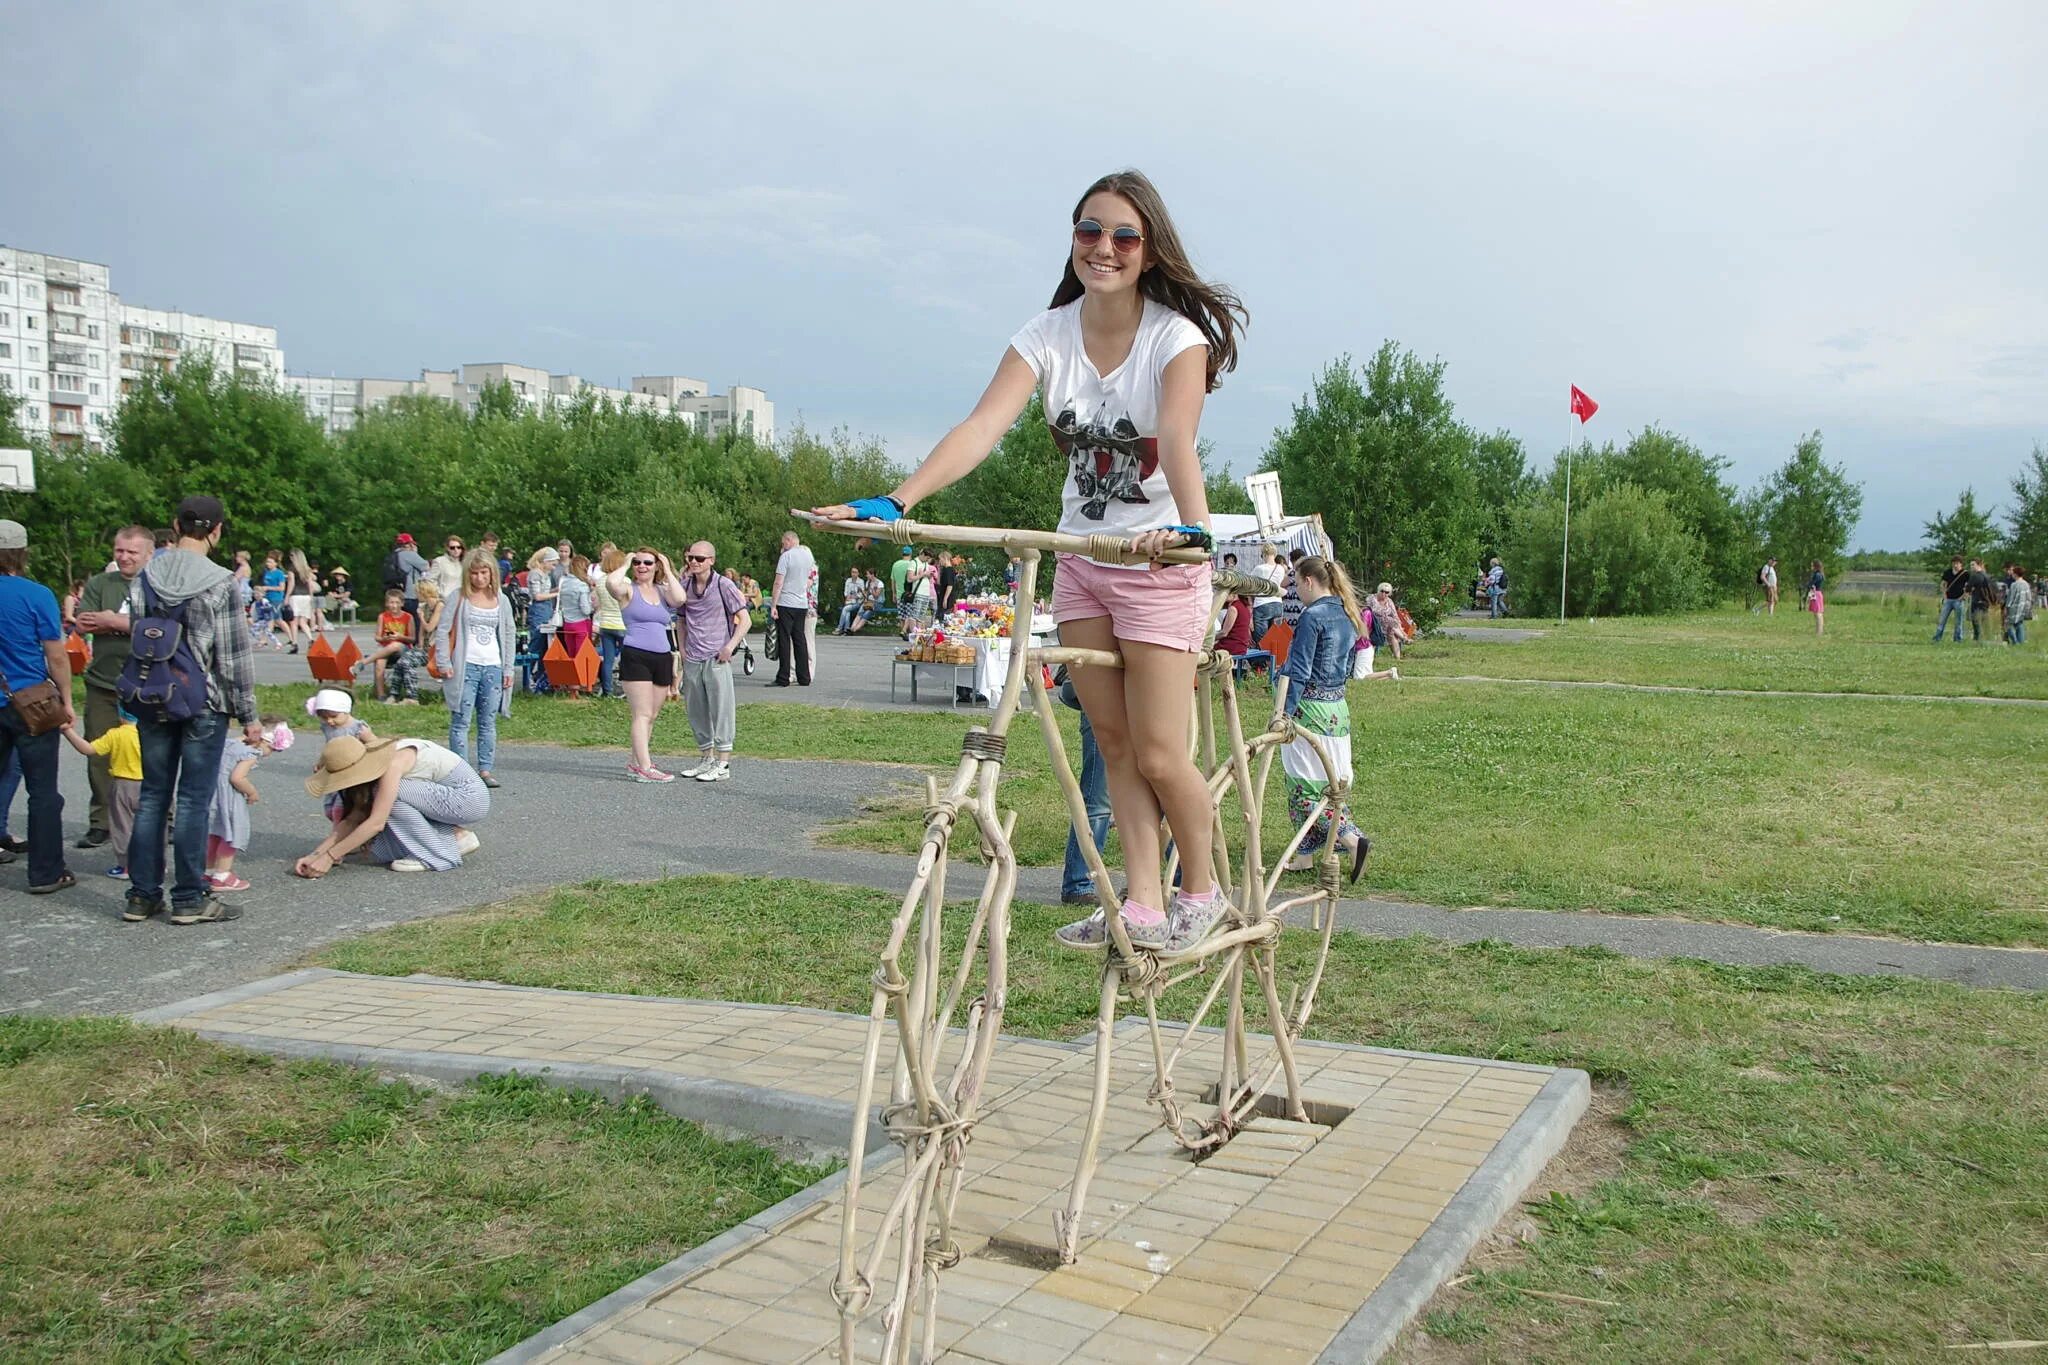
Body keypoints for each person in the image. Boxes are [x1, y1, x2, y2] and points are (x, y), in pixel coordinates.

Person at [816, 167, 1246, 956]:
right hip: (1080, 559)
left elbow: (1178, 437)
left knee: (1158, 749)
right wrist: (898, 500)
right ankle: (1143, 903)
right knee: (1112, 743)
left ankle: (1204, 890)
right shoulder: (1046, 335)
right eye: (1090, 231)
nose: (1104, 249)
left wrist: (1192, 530)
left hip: (1158, 564)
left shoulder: (1174, 340)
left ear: (1148, 251)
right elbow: (982, 426)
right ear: (1073, 240)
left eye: (1123, 236)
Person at [120, 495, 256, 925]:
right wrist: (249, 715)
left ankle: (141, 895)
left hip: (153, 696)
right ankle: (188, 898)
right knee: (195, 801)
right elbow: (233, 659)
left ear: (175, 525)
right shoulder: (221, 582)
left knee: (152, 797)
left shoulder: (146, 576)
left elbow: (139, 639)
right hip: (205, 702)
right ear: (216, 531)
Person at [1278, 557, 1373, 886]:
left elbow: (1299, 670)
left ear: (1308, 581)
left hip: (1311, 710)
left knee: (1304, 784)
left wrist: (1284, 712)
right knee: (1330, 783)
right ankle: (1305, 856)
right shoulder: (1348, 614)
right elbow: (1348, 666)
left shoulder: (1312, 616)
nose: (1292, 590)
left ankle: (1350, 838)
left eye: (1295, 582)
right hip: (1338, 710)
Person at [0, 519, 77, 894]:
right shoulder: (36, 594)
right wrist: (66, 697)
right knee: (43, 791)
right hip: (31, 701)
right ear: (21, 553)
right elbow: (56, 655)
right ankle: (46, 872)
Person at [295, 734, 488, 875]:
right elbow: (354, 818)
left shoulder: (392, 765)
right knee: (380, 798)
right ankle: (456, 836)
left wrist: (329, 857)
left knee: (386, 797)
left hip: (469, 799)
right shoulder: (377, 764)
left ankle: (435, 853)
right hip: (445, 798)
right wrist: (317, 854)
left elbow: (376, 822)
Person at [72, 525, 152, 850]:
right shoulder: (100, 583)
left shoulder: (158, 586)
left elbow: (161, 628)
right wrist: (131, 625)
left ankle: (163, 817)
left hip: (147, 685)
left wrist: (113, 622)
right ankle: (101, 821)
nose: (124, 557)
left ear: (148, 553)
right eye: (120, 550)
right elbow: (82, 621)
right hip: (103, 683)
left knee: (152, 754)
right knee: (99, 755)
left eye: (132, 552)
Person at [605, 547, 689, 781]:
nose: (642, 567)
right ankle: (645, 766)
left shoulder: (663, 591)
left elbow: (680, 598)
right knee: (641, 714)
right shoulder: (627, 591)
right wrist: (626, 562)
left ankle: (636, 761)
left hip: (662, 656)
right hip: (636, 655)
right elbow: (611, 583)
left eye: (648, 563)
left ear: (656, 567)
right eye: (638, 563)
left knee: (651, 714)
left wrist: (667, 567)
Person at [436, 550, 515, 789]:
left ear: (492, 573)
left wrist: (508, 668)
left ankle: (485, 769)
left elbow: (509, 633)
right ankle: (460, 772)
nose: (480, 578)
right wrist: (444, 662)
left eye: (484, 573)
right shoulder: (459, 597)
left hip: (492, 665)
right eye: (475, 573)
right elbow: (442, 630)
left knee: (488, 720)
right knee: (461, 720)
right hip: (465, 666)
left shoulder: (501, 599)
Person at [675, 541, 751, 782]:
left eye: (699, 558)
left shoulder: (724, 585)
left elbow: (744, 619)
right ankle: (706, 757)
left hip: (716, 656)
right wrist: (682, 650)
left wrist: (729, 646)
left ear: (711, 560)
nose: (694, 562)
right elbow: (681, 620)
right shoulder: (684, 586)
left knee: (722, 709)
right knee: (696, 710)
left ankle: (723, 763)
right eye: (690, 558)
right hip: (693, 656)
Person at [207, 717, 289, 892]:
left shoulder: (229, 744)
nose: (269, 753)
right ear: (263, 741)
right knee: (231, 835)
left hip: (212, 795)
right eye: (272, 749)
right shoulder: (250, 754)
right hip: (229, 798)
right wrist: (251, 792)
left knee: (213, 833)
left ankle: (207, 871)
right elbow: (237, 778)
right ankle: (222, 875)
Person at [1055, 666, 1114, 907]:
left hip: (1141, 692)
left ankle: (1181, 880)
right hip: (1102, 692)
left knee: (1160, 793)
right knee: (1097, 797)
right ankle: (1078, 884)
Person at [60, 705, 141, 878]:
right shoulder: (149, 734)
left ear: (120, 714)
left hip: (123, 784)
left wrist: (68, 732)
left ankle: (126, 866)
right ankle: (156, 864)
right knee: (153, 825)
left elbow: (88, 749)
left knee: (122, 826)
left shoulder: (116, 734)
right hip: (148, 784)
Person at [770, 530, 818, 688]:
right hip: (802, 602)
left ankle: (783, 677)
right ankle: (804, 676)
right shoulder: (808, 557)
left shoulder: (786, 556)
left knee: (784, 639)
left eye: (783, 543)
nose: (783, 546)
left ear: (789, 540)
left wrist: (773, 605)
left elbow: (778, 582)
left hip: (786, 601)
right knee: (800, 639)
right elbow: (809, 580)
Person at [363, 588, 418, 701]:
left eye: (397, 603)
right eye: (391, 602)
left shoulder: (408, 617)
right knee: (379, 662)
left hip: (403, 648)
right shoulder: (383, 617)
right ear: (387, 603)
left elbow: (412, 639)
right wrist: (385, 638)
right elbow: (377, 637)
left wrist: (400, 637)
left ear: (402, 604)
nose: (394, 605)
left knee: (395, 645)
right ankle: (381, 695)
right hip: (385, 647)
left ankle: (364, 662)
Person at [524, 546, 562, 693]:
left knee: (545, 646)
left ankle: (540, 678)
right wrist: (555, 595)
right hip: (539, 610)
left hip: (546, 609)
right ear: (545, 561)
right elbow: (537, 596)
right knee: (536, 645)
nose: (554, 567)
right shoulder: (535, 574)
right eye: (553, 564)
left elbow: (545, 592)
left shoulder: (545, 575)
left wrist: (557, 590)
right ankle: (527, 679)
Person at [592, 546, 628, 698]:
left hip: (605, 623)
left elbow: (597, 603)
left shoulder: (600, 582)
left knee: (608, 659)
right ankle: (627, 688)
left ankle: (607, 691)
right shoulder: (625, 581)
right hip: (621, 623)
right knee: (628, 658)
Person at [556, 554, 595, 689]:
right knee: (582, 655)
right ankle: (582, 684)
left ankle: (572, 684)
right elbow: (585, 610)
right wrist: (593, 605)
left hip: (567, 622)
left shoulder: (564, 583)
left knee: (571, 654)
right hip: (580, 624)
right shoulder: (582, 586)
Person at [390, 533, 431, 634]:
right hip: (411, 594)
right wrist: (415, 552)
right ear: (408, 544)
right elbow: (426, 566)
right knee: (415, 622)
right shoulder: (408, 554)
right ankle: (414, 643)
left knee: (401, 621)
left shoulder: (393, 555)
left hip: (398, 593)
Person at [1249, 543, 1287, 643]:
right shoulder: (1281, 568)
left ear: (1264, 553)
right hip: (1277, 603)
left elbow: (1249, 584)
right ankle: (1274, 658)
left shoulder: (1260, 568)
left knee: (1261, 640)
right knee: (1274, 638)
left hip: (1262, 603)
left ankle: (1261, 658)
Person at [1369, 582, 1412, 660]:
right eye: (1382, 591)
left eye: (1386, 592)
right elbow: (1367, 611)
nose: (1384, 593)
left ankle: (1398, 658)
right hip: (1375, 623)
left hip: (1389, 625)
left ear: (1389, 593)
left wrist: (1401, 629)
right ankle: (1404, 639)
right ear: (1378, 590)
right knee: (1391, 625)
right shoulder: (1372, 598)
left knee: (1392, 631)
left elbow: (1395, 616)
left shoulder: (1389, 601)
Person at [259, 551, 289, 650]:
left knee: (278, 620)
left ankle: (291, 637)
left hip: (276, 598)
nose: (268, 564)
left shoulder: (279, 573)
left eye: (270, 562)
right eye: (267, 562)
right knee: (268, 619)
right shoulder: (266, 573)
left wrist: (268, 588)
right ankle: (264, 640)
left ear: (276, 563)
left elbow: (281, 588)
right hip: (267, 598)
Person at [1934, 556, 1968, 642]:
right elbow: (1943, 584)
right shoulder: (1948, 572)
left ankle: (1958, 639)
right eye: (1953, 563)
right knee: (1942, 619)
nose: (1955, 565)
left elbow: (1969, 587)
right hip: (1948, 599)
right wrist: (1944, 594)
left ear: (1961, 564)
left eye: (1957, 563)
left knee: (1958, 621)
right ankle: (1937, 637)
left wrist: (1964, 596)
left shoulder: (1965, 574)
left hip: (1959, 600)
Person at [1215, 589, 1253, 656]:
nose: (1224, 595)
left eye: (1226, 593)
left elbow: (1224, 633)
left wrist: (1210, 638)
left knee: (1205, 650)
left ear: (1234, 593)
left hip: (1232, 646)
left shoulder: (1233, 608)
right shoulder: (1244, 606)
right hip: (1241, 646)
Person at [2004, 564, 2033, 646]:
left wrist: (2007, 607)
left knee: (2007, 624)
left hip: (2014, 607)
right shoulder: (2026, 584)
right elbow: (2029, 597)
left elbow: (2010, 598)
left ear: (2016, 574)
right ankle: (2021, 642)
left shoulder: (2014, 585)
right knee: (2019, 624)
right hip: (2023, 607)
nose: (2012, 574)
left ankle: (2015, 641)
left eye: (2013, 573)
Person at [1966, 558, 1994, 643]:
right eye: (1971, 565)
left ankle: (1977, 638)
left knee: (1976, 620)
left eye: (1973, 564)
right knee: (1984, 620)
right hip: (1986, 600)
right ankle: (1986, 638)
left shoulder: (1975, 576)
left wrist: (1969, 588)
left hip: (1977, 600)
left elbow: (1968, 588)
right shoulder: (1987, 576)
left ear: (1978, 565)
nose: (1971, 567)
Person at [836, 567, 865, 634]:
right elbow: (846, 593)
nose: (853, 574)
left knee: (845, 609)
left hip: (857, 603)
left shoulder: (861, 582)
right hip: (849, 601)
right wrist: (848, 596)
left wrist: (854, 597)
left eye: (855, 572)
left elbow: (861, 595)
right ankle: (846, 629)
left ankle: (839, 628)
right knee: (847, 612)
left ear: (858, 573)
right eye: (852, 572)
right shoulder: (848, 581)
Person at [1807, 560, 1826, 635]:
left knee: (1818, 613)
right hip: (1815, 593)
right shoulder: (1817, 574)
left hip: (1816, 593)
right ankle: (1818, 630)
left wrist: (1808, 585)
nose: (1811, 567)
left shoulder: (1817, 575)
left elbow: (1812, 583)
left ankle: (1819, 631)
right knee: (1816, 613)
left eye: (1812, 565)